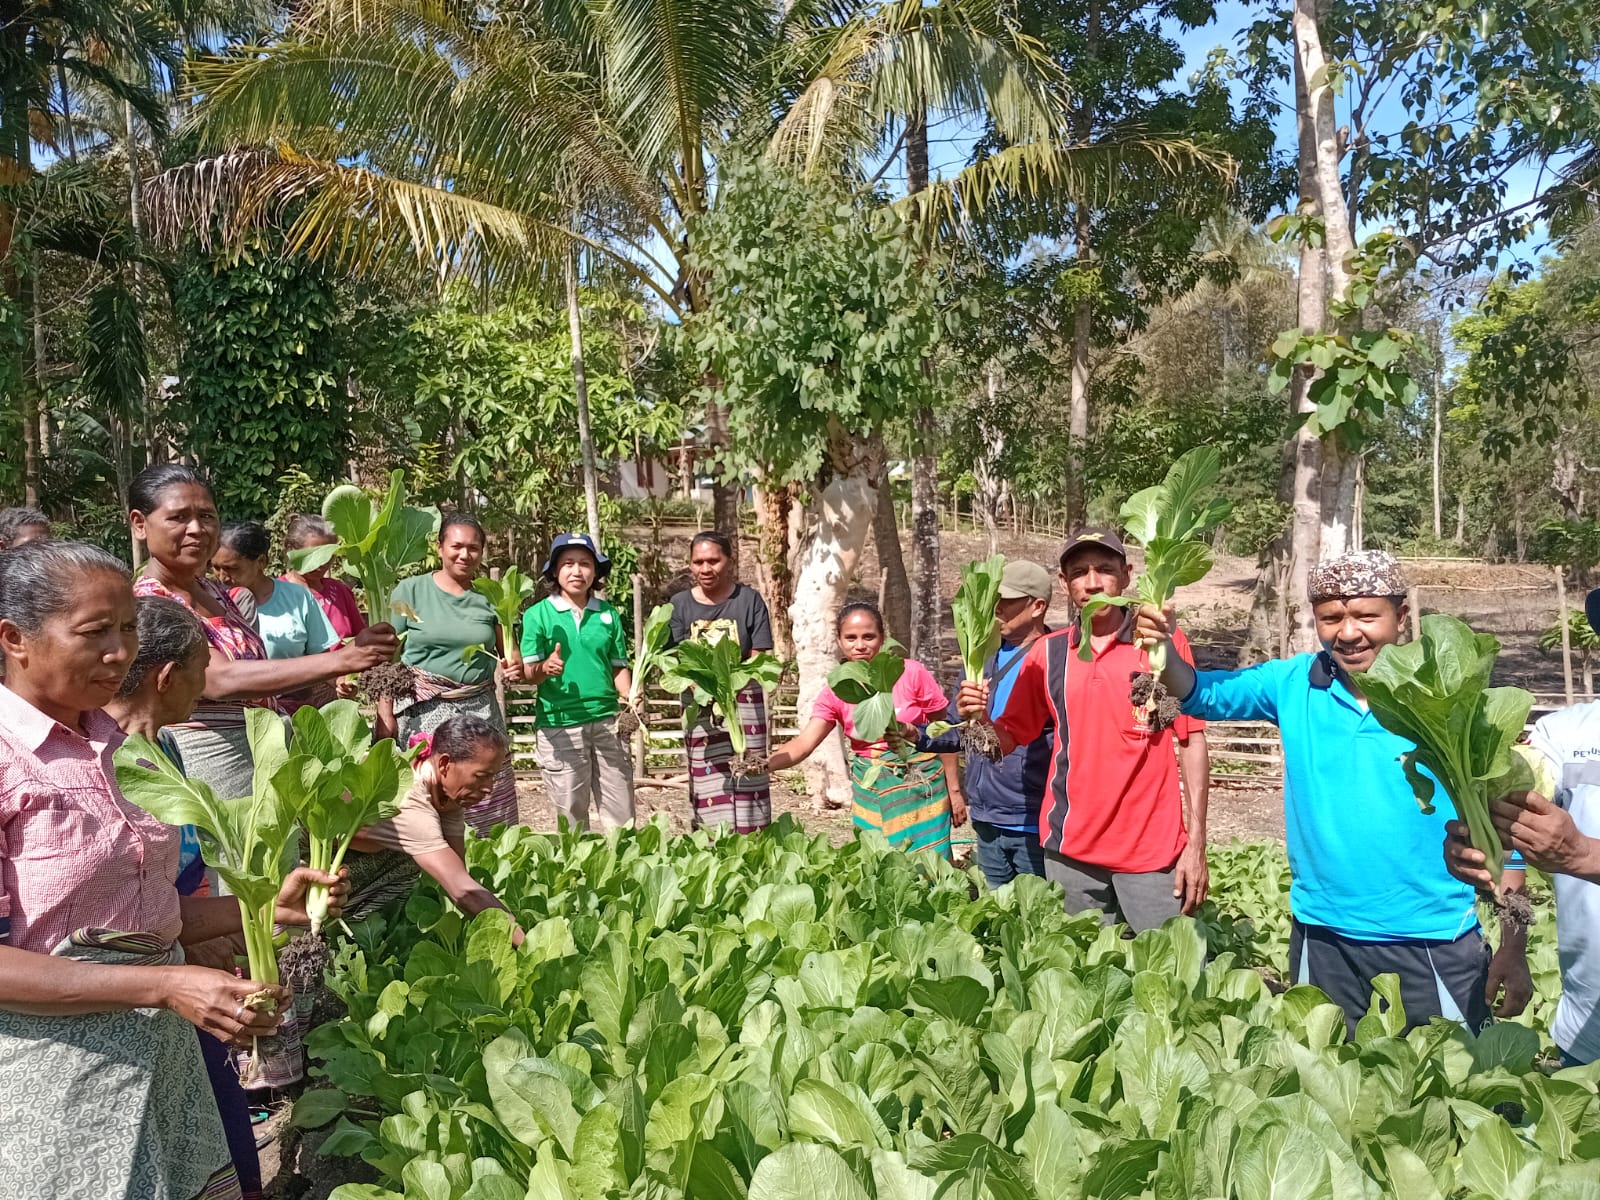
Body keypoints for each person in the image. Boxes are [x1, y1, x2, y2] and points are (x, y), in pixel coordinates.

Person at [0, 540, 333, 1200]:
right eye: (96, 633)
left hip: (168, 1065)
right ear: (14, 638)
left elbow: (148, 914)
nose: (120, 652)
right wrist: (162, 984)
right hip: (57, 1074)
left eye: (127, 628)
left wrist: (267, 910)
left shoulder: (126, 748)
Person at [1135, 548, 1531, 1035]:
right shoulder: (1294, 683)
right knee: (1326, 1082)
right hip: (1321, 936)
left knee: (1443, 1092)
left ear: (1401, 617)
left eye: (1366, 615)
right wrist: (1166, 648)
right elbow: (1199, 693)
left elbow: (1502, 831)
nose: (1347, 632)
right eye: (1331, 617)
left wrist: (1514, 943)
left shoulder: (1447, 697)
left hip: (1430, 939)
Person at [102, 593, 350, 1200]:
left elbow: (172, 897)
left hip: (187, 994)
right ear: (168, 676)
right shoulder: (94, 762)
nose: (211, 685)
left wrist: (262, 911)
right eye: (202, 670)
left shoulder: (170, 749)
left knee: (226, 1151)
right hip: (123, 1020)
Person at [957, 529, 1210, 932]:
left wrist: (1196, 844)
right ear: (1064, 583)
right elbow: (1004, 743)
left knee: (1171, 980)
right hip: (1069, 851)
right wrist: (977, 719)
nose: (1093, 583)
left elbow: (1191, 740)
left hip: (1151, 853)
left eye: (1105, 570)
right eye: (1079, 573)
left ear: (1126, 576)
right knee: (1081, 977)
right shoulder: (1049, 652)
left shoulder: (1161, 643)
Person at [129, 464, 398, 801]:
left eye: (207, 516)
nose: (197, 529)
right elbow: (217, 679)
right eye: (179, 517)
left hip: (260, 746)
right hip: (209, 757)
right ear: (140, 524)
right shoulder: (149, 601)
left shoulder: (212, 592)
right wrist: (345, 659)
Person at [1444, 692, 1600, 1066]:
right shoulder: (1564, 732)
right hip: (1585, 1028)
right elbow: (1516, 819)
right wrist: (1480, 847)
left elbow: (1580, 852)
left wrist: (1584, 855)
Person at [769, 602, 965, 858]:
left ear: (882, 639)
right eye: (850, 638)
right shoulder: (837, 690)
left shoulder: (910, 673)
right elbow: (804, 744)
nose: (859, 645)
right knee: (877, 863)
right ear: (839, 641)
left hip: (921, 786)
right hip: (870, 787)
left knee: (931, 864)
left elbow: (945, 734)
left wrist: (955, 791)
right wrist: (763, 765)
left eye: (868, 637)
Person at [375, 513, 519, 835]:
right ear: (439, 547)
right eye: (456, 546)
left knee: (482, 796)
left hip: (478, 712)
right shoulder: (409, 591)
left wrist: (514, 666)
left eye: (474, 548)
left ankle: (488, 867)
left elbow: (510, 653)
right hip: (422, 715)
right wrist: (385, 717)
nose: (464, 555)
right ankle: (428, 871)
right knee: (423, 800)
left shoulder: (490, 596)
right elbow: (387, 658)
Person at [346, 717, 523, 943]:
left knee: (432, 858)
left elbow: (459, 868)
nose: (489, 788)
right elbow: (463, 889)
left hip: (359, 853)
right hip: (312, 858)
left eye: (493, 776)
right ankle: (351, 921)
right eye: (481, 776)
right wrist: (527, 944)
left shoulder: (445, 792)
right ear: (445, 764)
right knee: (417, 860)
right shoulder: (412, 802)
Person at [519, 533, 635, 831]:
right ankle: (576, 872)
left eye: (585, 564)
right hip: (561, 725)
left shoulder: (608, 614)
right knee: (571, 812)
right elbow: (529, 673)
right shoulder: (538, 614)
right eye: (568, 563)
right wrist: (545, 667)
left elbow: (618, 666)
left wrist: (632, 698)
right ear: (555, 571)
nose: (577, 571)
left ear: (595, 572)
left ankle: (623, 869)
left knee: (621, 811)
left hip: (609, 723)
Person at [950, 559, 1055, 887]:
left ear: (1037, 606)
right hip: (986, 817)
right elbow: (956, 730)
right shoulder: (983, 659)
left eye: (1005, 601)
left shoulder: (1056, 659)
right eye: (992, 600)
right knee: (998, 919)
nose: (995, 609)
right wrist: (914, 734)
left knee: (1037, 919)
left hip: (1032, 821)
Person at [667, 531, 777, 833]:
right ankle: (713, 841)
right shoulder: (679, 605)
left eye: (713, 560)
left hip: (744, 698)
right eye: (698, 561)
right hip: (699, 700)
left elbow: (759, 653)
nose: (706, 568)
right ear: (690, 565)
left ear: (728, 561)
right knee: (707, 775)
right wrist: (704, 691)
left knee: (750, 768)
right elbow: (678, 659)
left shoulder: (749, 600)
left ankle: (754, 841)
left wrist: (731, 688)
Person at [212, 520, 342, 712]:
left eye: (232, 568)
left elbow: (322, 657)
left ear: (261, 562)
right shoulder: (209, 601)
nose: (222, 576)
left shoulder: (297, 598)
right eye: (215, 567)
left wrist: (341, 682)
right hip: (234, 715)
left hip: (295, 713)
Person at [281, 513, 367, 640]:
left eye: (328, 554)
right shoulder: (275, 595)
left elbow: (360, 639)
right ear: (291, 550)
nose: (322, 563)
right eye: (315, 555)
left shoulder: (340, 592)